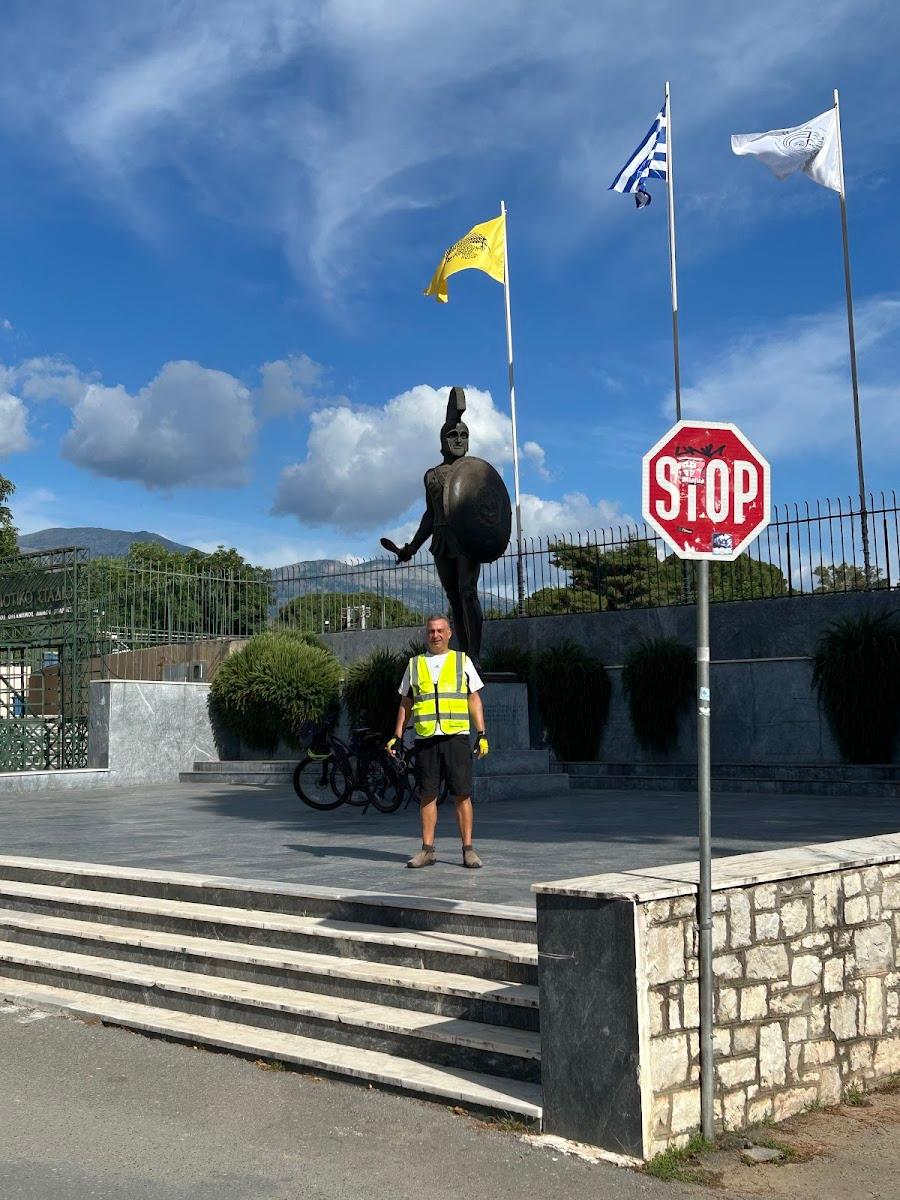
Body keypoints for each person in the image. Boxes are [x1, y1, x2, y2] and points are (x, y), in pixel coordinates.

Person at [387, 614, 488, 869]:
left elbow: (473, 699)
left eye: (440, 630)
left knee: (462, 794)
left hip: (456, 737)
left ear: (449, 633)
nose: (436, 635)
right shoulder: (415, 664)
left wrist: (482, 733)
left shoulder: (461, 661)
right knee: (427, 794)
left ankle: (468, 850)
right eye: (431, 631)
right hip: (426, 738)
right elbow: (406, 703)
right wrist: (397, 736)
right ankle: (427, 850)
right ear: (426, 634)